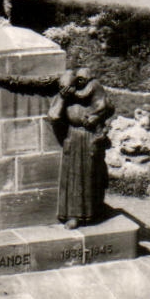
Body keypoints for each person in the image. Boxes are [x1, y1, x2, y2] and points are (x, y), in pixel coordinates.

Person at [47, 69, 114, 229]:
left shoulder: (94, 88)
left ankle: (95, 210)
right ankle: (74, 215)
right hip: (74, 136)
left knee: (92, 175)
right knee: (73, 178)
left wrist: (96, 118)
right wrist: (63, 97)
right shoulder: (66, 94)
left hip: (90, 136)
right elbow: (54, 115)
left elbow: (106, 107)